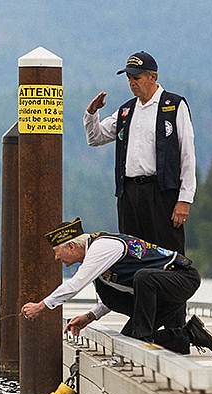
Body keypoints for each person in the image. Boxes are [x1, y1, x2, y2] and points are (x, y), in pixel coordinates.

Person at [21, 218, 212, 356]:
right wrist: (89, 317)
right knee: (128, 341)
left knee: (144, 278)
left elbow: (75, 284)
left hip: (182, 278)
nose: (56, 258)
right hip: (159, 293)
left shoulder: (101, 247)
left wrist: (41, 306)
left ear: (72, 246)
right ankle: (189, 334)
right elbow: (111, 299)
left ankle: (144, 333)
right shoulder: (96, 262)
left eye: (57, 252)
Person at [84, 51, 196, 254]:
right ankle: (136, 287)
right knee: (132, 253)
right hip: (129, 193)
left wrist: (184, 199)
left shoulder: (173, 106)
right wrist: (92, 113)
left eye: (136, 77)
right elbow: (95, 138)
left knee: (167, 252)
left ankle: (173, 286)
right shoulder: (126, 111)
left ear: (153, 77)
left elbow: (187, 154)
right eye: (128, 78)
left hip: (161, 192)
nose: (131, 82)